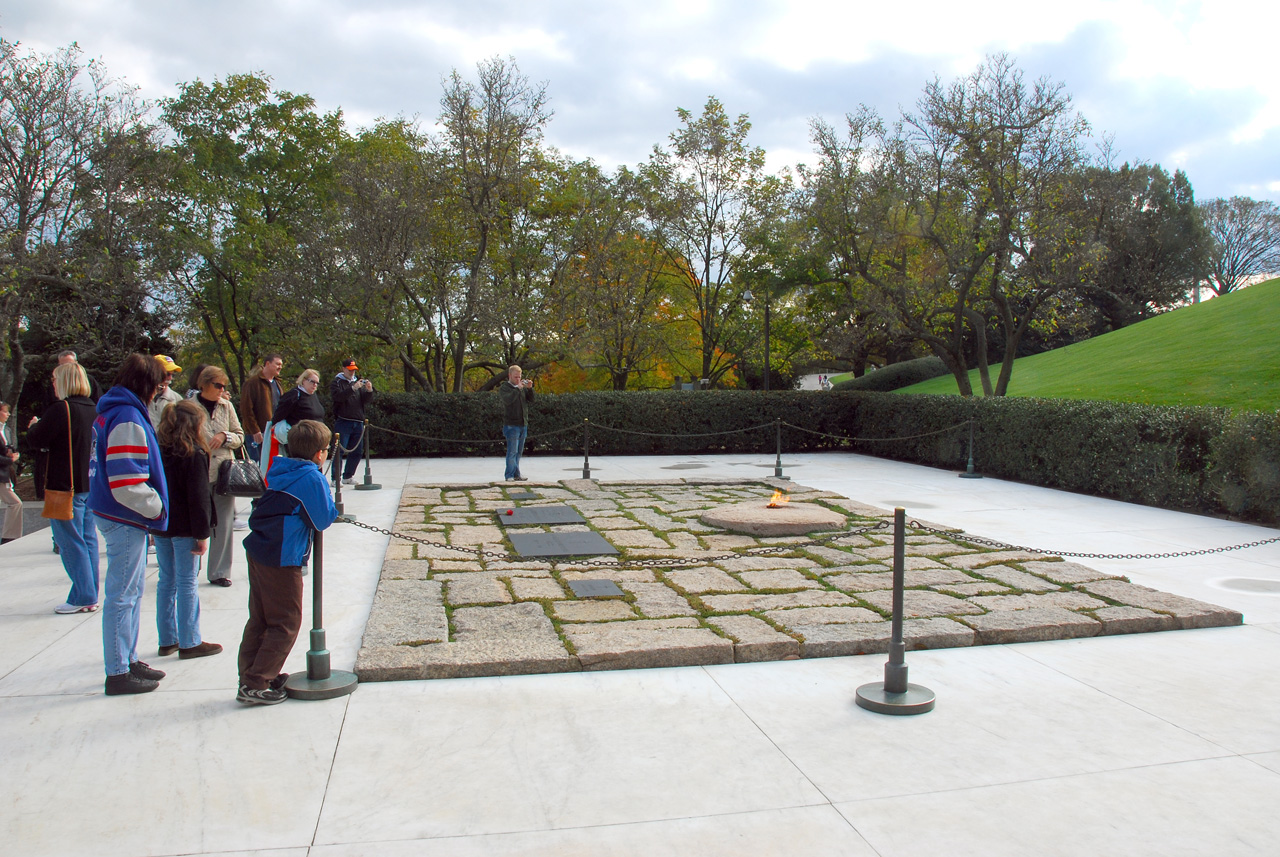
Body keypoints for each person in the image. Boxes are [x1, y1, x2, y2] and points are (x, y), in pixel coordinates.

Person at [236, 419, 338, 705]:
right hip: (281, 556)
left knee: (261, 618)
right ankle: (256, 684)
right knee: (286, 622)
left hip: (259, 549)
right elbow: (322, 518)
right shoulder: (310, 477)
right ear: (320, 453)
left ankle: (253, 674)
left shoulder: (282, 468)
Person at [88, 353, 169, 695]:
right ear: (147, 384)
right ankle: (118, 671)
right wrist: (157, 507)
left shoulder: (115, 411)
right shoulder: (127, 416)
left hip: (115, 513)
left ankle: (128, 658)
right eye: (160, 383)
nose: (162, 389)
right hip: (123, 516)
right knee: (122, 596)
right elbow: (127, 481)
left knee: (132, 593)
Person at [27, 364, 100, 609]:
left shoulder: (62, 409)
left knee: (69, 542)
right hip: (89, 482)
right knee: (88, 540)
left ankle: (83, 596)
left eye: (55, 379)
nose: (53, 385)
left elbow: (37, 439)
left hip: (64, 485)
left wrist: (33, 427)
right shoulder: (94, 408)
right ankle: (91, 594)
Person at [153, 400, 222, 660]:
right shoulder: (193, 453)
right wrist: (203, 534)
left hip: (162, 523)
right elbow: (199, 497)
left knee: (166, 581)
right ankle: (190, 641)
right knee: (186, 582)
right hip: (186, 527)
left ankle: (167, 638)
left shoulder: (160, 451)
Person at [194, 366, 245, 587]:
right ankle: (190, 567)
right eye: (218, 385)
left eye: (224, 386)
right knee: (196, 520)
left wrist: (226, 436)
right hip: (198, 470)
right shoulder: (189, 407)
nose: (222, 390)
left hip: (224, 470)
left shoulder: (227, 406)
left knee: (224, 523)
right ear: (204, 384)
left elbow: (240, 435)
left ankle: (220, 571)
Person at [266, 369, 324, 467]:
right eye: (312, 382)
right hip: (300, 441)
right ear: (303, 380)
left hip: (316, 439)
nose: (315, 385)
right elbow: (278, 415)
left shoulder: (313, 396)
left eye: (317, 383)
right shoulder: (294, 394)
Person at [329, 359, 373, 485]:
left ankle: (348, 476)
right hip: (343, 420)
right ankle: (335, 478)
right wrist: (352, 388)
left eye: (354, 370)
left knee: (357, 451)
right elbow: (338, 397)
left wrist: (369, 391)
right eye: (349, 370)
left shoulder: (357, 381)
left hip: (358, 421)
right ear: (343, 369)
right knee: (339, 450)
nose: (352, 372)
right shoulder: (337, 382)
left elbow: (364, 400)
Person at [240, 353, 283, 464]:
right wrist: (255, 430)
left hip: (273, 433)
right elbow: (246, 409)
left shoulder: (277, 384)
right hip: (257, 434)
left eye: (281, 364)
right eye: (277, 364)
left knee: (272, 465)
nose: (280, 367)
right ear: (267, 364)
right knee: (256, 467)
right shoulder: (252, 383)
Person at [499, 364, 534, 482]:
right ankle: (509, 475)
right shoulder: (505, 388)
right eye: (515, 377)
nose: (518, 379)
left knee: (519, 452)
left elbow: (531, 400)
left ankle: (516, 474)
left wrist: (529, 389)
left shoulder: (521, 388)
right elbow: (508, 400)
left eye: (519, 377)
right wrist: (517, 388)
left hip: (523, 424)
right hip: (511, 425)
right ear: (510, 376)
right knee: (512, 451)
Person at [0, 402, 22, 544]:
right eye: (5, 411)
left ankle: (10, 536)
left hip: (5, 473)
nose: (8, 414)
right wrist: (10, 460)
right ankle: (10, 537)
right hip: (2, 474)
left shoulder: (5, 430)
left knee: (15, 503)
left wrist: (13, 454)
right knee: (15, 503)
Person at [147, 354, 185, 430]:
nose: (170, 378)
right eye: (167, 374)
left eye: (172, 374)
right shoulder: (140, 397)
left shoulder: (177, 399)